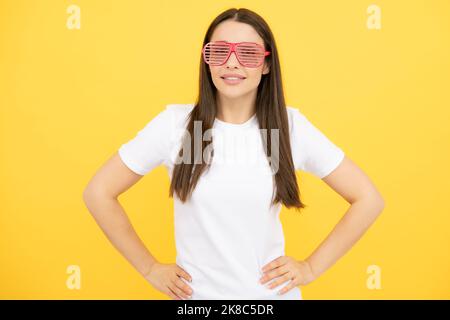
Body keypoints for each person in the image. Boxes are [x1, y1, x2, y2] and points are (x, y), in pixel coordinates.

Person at [83, 8, 385, 300]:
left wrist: (311, 267)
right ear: (207, 61)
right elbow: (99, 192)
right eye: (219, 52)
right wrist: (149, 268)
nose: (231, 63)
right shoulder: (177, 126)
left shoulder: (288, 127)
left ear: (266, 64)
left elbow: (368, 199)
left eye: (248, 53)